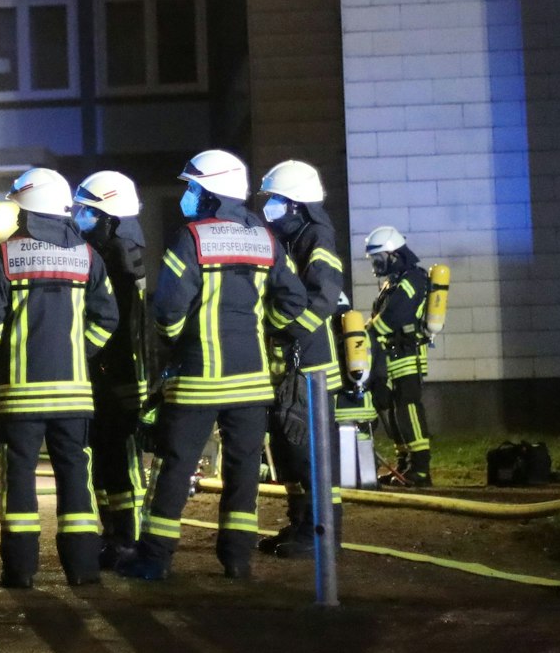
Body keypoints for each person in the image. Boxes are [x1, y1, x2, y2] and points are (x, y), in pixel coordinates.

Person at [122, 150, 308, 581]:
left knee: (174, 468)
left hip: (198, 380)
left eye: (193, 186)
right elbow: (294, 302)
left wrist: (178, 343)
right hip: (251, 381)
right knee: (243, 472)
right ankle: (237, 559)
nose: (188, 194)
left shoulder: (192, 237)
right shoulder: (265, 238)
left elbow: (168, 310)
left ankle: (154, 560)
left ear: (209, 193)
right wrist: (262, 329)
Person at [0, 169, 121, 588]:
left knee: (18, 479)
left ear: (27, 209)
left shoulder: (4, 256)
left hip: (20, 395)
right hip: (74, 394)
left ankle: (19, 572)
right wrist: (79, 351)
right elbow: (107, 319)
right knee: (76, 477)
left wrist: (6, 356)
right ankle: (83, 569)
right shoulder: (88, 257)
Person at [254, 160, 349, 557]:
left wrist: (287, 328)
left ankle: (322, 533)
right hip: (289, 366)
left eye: (277, 200)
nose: (269, 207)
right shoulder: (289, 238)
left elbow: (324, 295)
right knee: (289, 450)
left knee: (313, 454)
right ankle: (300, 524)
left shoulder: (317, 237)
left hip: (311, 366)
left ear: (297, 205)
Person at [73, 170, 153, 565]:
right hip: (109, 367)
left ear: (110, 216)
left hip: (119, 369)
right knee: (105, 455)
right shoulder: (114, 248)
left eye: (87, 211)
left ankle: (128, 537)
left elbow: (117, 320)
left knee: (120, 456)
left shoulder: (119, 252)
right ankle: (116, 534)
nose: (78, 216)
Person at [363, 225, 434, 486]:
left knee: (408, 409)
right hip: (389, 356)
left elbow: (393, 317)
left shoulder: (413, 280)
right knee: (392, 411)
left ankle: (421, 469)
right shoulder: (391, 284)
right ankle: (404, 465)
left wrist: (366, 333)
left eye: (378, 258)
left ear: (393, 254)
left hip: (406, 355)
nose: (375, 264)